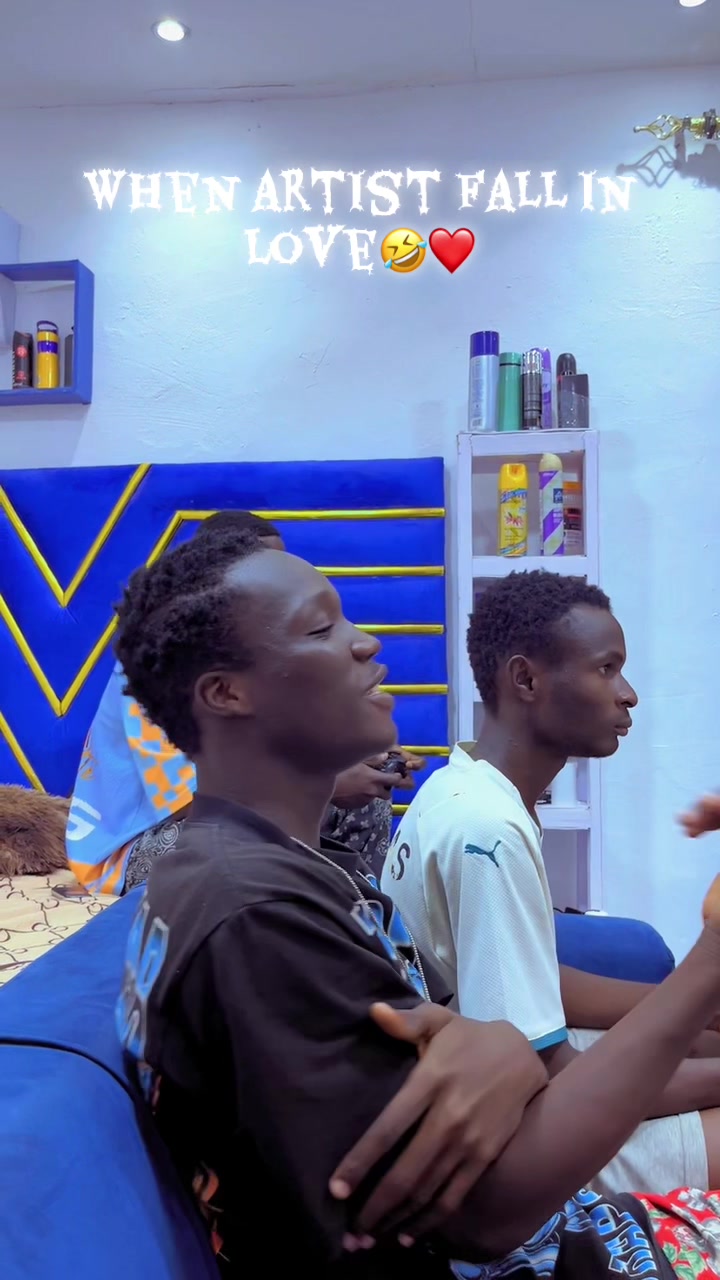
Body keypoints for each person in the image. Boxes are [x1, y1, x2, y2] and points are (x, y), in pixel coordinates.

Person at [114, 530, 720, 1280]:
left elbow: (486, 1041)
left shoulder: (307, 871)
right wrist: (709, 960)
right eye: (321, 628)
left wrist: (503, 1054)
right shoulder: (255, 916)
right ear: (226, 693)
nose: (365, 641)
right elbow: (487, 1215)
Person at [382, 569, 720, 1200]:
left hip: (509, 1075)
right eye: (606, 669)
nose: (628, 695)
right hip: (520, 1141)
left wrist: (696, 1016)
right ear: (527, 680)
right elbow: (547, 1076)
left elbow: (529, 981)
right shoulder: (489, 832)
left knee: (700, 1040)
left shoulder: (462, 783)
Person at [65, 510, 422, 894]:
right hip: (139, 846)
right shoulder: (160, 666)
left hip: (236, 814)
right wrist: (331, 782)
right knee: (295, 810)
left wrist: (366, 760)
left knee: (364, 801)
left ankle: (352, 908)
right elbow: (195, 800)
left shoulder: (265, 660)